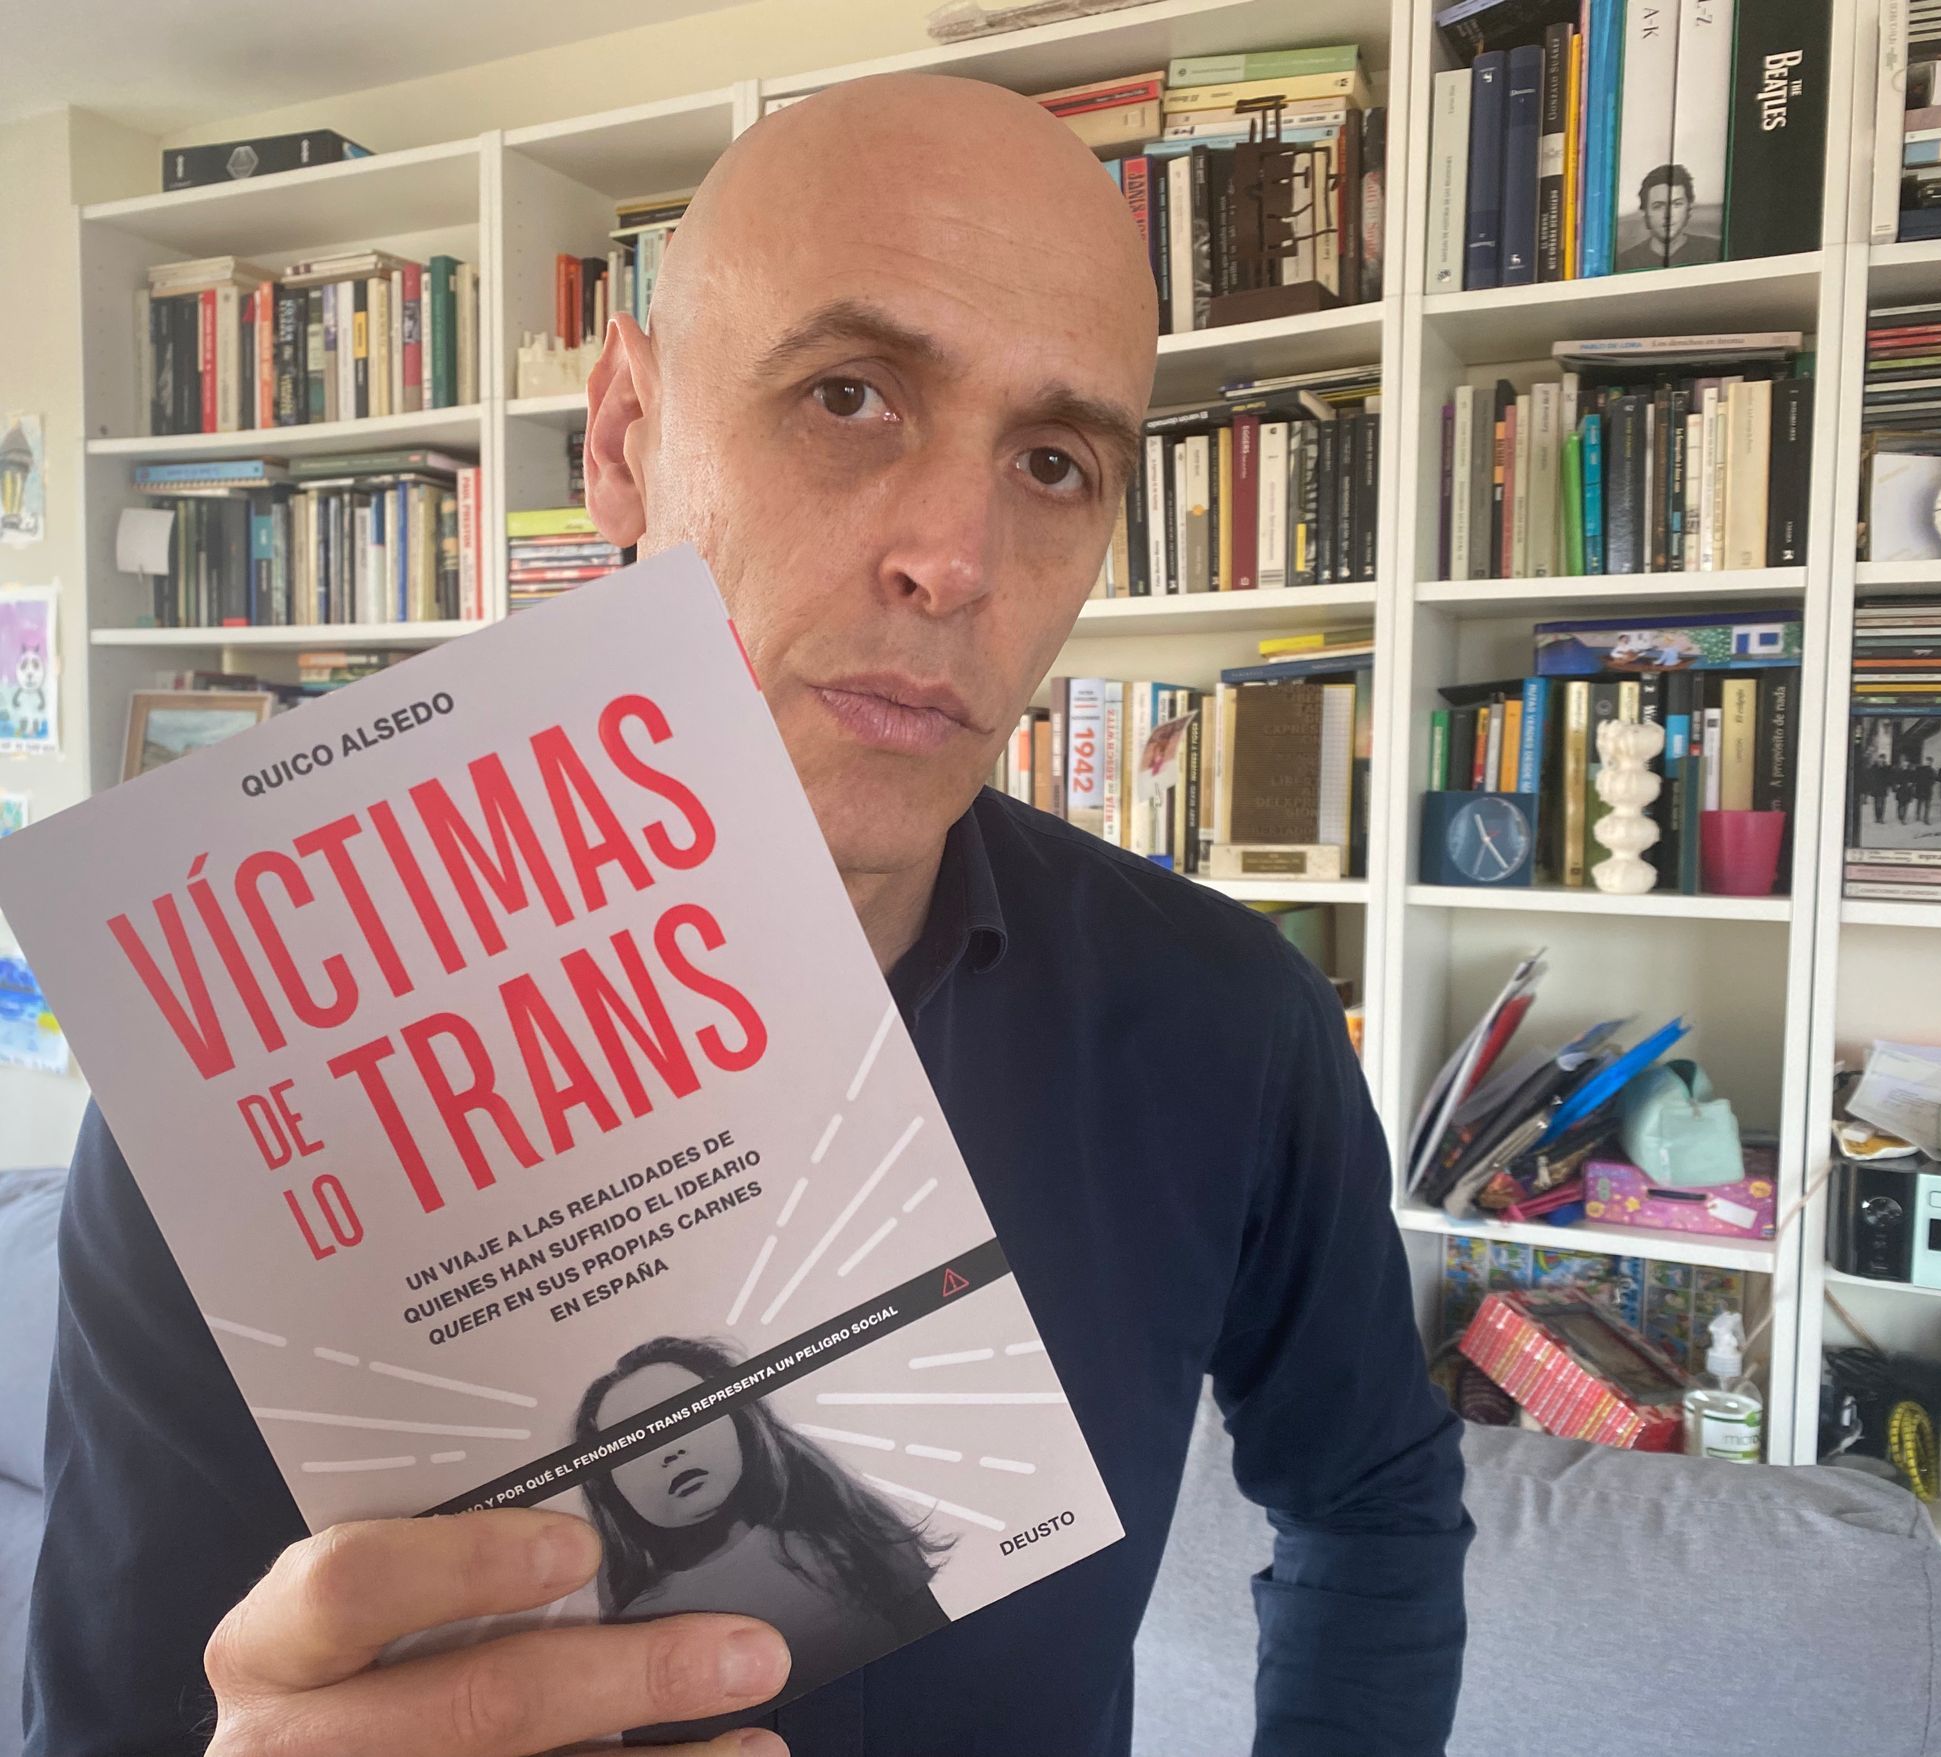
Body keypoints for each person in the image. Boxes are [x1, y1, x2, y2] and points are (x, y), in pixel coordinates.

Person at [26, 73, 1469, 1757]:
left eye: (1054, 461)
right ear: (624, 439)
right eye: (847, 395)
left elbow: (1371, 1495)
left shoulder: (1231, 1021)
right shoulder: (246, 1101)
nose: (955, 558)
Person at [575, 1337, 949, 1722]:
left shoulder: (844, 1534)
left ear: (740, 1421)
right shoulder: (634, 1627)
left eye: (688, 1418)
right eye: (634, 1445)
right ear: (610, 1486)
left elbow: (944, 1657)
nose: (670, 1451)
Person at [1613, 163, 1720, 272]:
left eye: (1677, 204)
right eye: (1658, 206)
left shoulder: (1714, 250)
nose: (1668, 215)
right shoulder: (1625, 262)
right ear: (1645, 212)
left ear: (1689, 207)